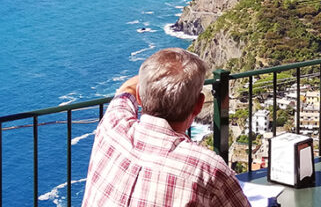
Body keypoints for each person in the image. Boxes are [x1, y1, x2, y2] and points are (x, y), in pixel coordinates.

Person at [81, 48, 251, 207]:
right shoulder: (207, 169)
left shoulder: (113, 125)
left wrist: (156, 78)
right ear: (199, 105)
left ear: (140, 97)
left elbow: (126, 89)